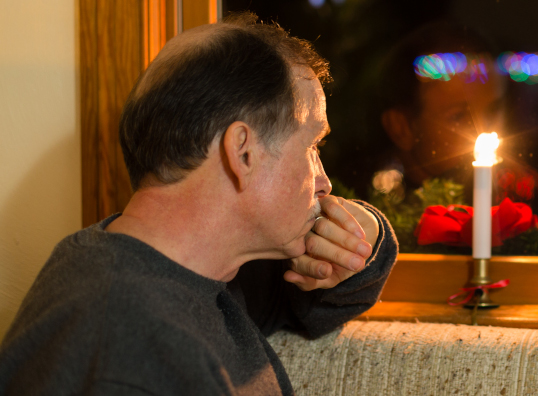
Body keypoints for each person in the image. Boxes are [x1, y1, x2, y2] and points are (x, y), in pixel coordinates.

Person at [0, 13, 397, 396]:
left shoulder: (199, 270)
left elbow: (316, 304)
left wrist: (365, 235)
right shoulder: (122, 354)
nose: (324, 182)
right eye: (311, 145)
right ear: (243, 153)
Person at [373, 22, 506, 195]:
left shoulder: (516, 196)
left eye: (493, 111)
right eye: (458, 116)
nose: (485, 133)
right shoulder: (369, 215)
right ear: (401, 127)